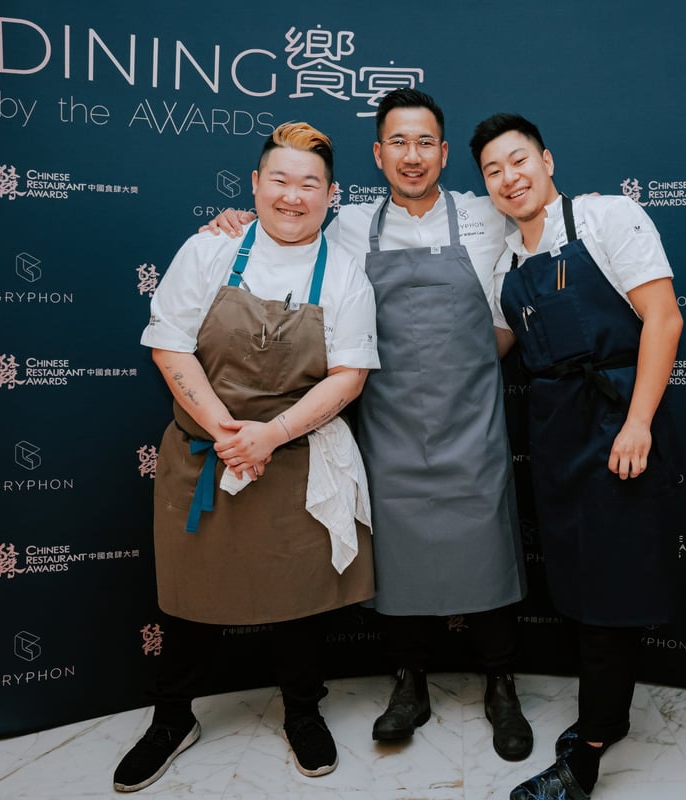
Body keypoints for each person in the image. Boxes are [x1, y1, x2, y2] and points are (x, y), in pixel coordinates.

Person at [206, 89, 532, 761]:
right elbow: (281, 237)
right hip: (386, 416)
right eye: (398, 143)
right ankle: (407, 682)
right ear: (379, 153)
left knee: (488, 543)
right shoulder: (349, 225)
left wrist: (466, 365)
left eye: (425, 144)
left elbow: (535, 242)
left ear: (443, 153)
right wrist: (229, 228)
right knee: (399, 551)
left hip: (471, 414)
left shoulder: (483, 215)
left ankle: (502, 682)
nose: (412, 157)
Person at [114, 122, 380, 792]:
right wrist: (228, 430)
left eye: (309, 184)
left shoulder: (344, 274)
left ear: (332, 195)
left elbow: (349, 375)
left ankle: (302, 711)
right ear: (256, 185)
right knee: (187, 597)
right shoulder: (211, 250)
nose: (293, 196)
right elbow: (169, 344)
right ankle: (173, 718)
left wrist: (269, 437)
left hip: (291, 460)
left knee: (299, 599)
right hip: (206, 454)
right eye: (280, 180)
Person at [468, 113, 683, 800]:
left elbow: (663, 319)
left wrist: (639, 423)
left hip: (618, 419)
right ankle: (609, 718)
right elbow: (489, 347)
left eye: (518, 160)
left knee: (612, 594)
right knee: (584, 589)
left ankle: (585, 759)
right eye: (493, 170)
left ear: (547, 159)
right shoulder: (504, 261)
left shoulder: (605, 217)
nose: (509, 177)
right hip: (558, 436)